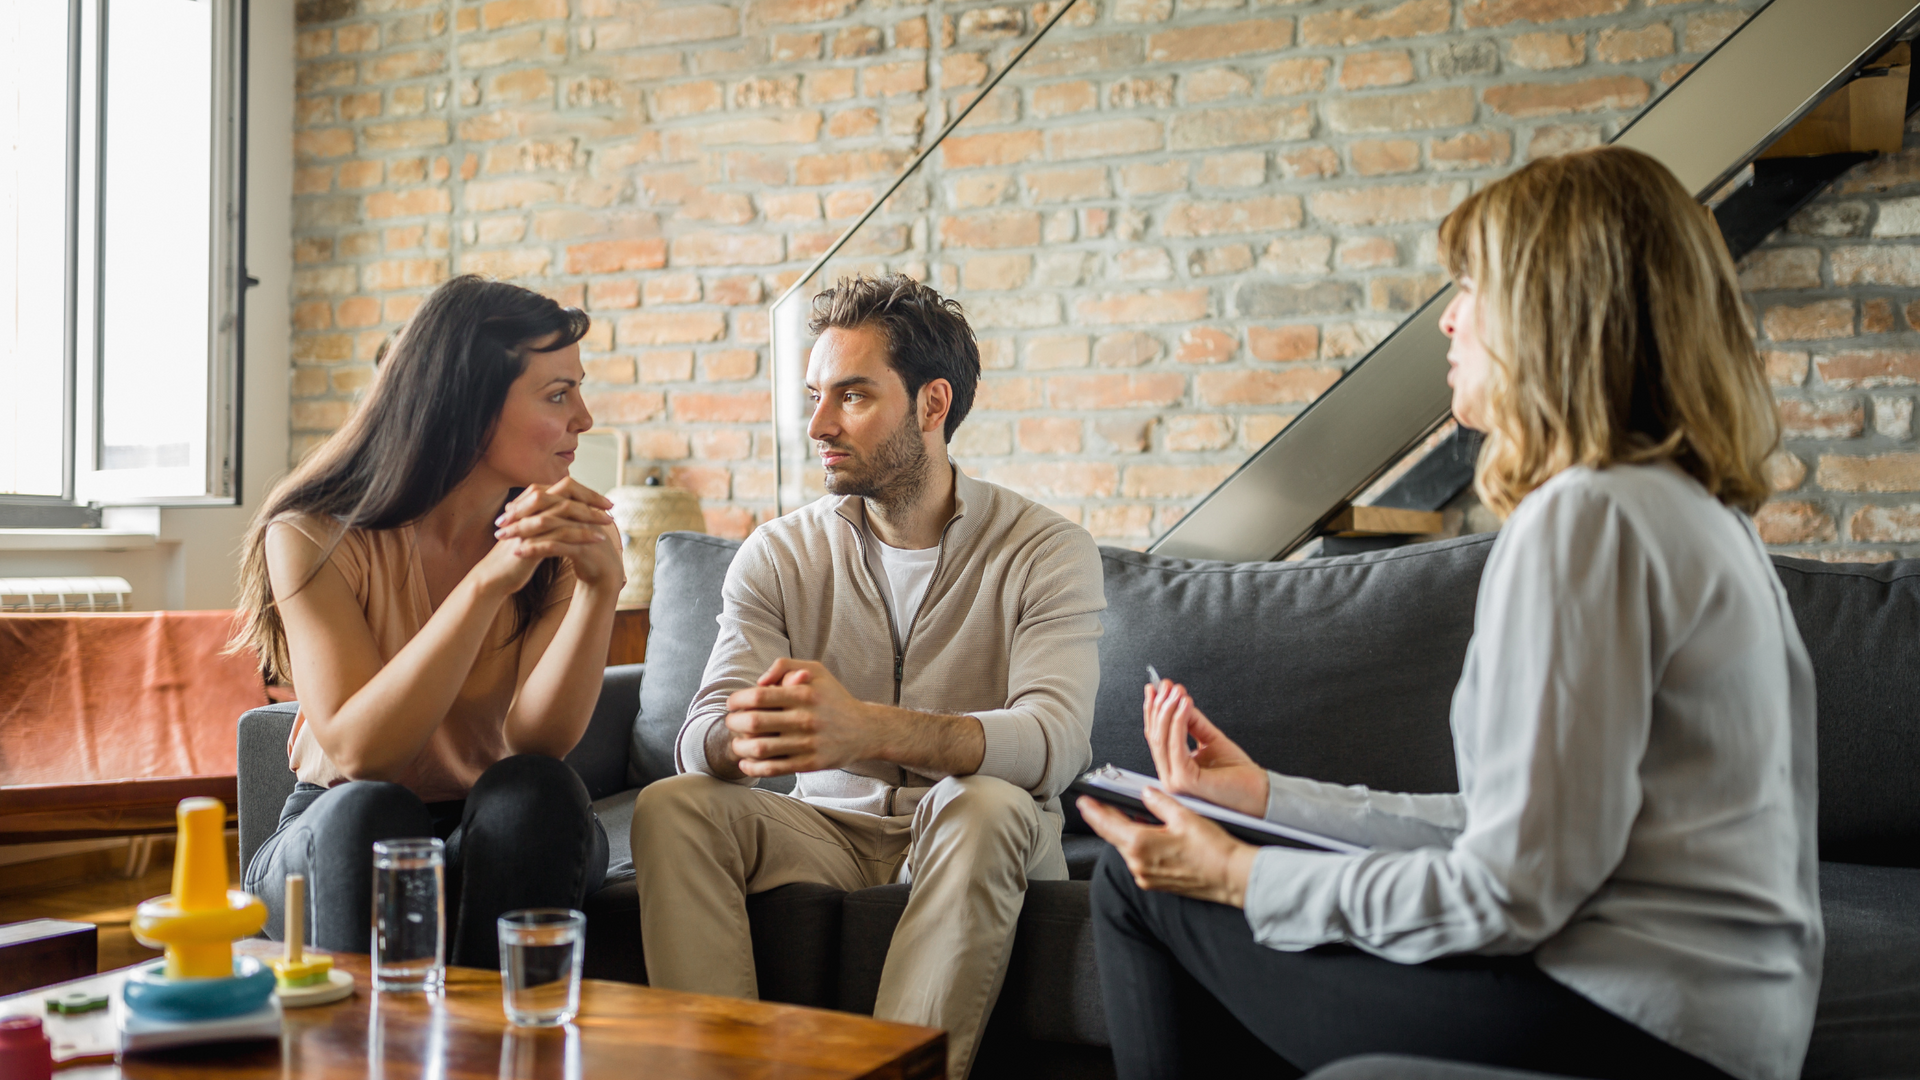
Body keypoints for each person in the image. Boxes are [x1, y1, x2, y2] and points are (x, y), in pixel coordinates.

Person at [1079, 145, 1821, 1080]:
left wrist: (1242, 875)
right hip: (1710, 1018)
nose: (1451, 317)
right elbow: (1512, 830)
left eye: (1471, 284)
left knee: (1137, 887)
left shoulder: (1586, 520)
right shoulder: (1690, 513)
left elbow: (1512, 889)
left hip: (1629, 1020)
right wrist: (1268, 800)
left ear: (1550, 310)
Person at [629, 273, 1105, 1078]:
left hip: (976, 832)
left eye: (851, 396)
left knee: (986, 802)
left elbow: (1055, 744)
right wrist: (737, 737)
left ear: (932, 404)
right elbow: (697, 736)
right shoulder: (778, 555)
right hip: (830, 836)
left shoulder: (1044, 550)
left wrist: (868, 729)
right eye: (815, 395)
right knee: (672, 807)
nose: (818, 424)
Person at [231, 275, 624, 969]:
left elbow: (537, 741)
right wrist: (486, 585)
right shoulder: (314, 533)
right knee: (368, 814)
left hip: (495, 819)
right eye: (559, 394)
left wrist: (600, 589)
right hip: (334, 822)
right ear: (469, 408)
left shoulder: (550, 533)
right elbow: (363, 755)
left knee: (537, 793)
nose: (584, 418)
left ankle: (496, 1052)